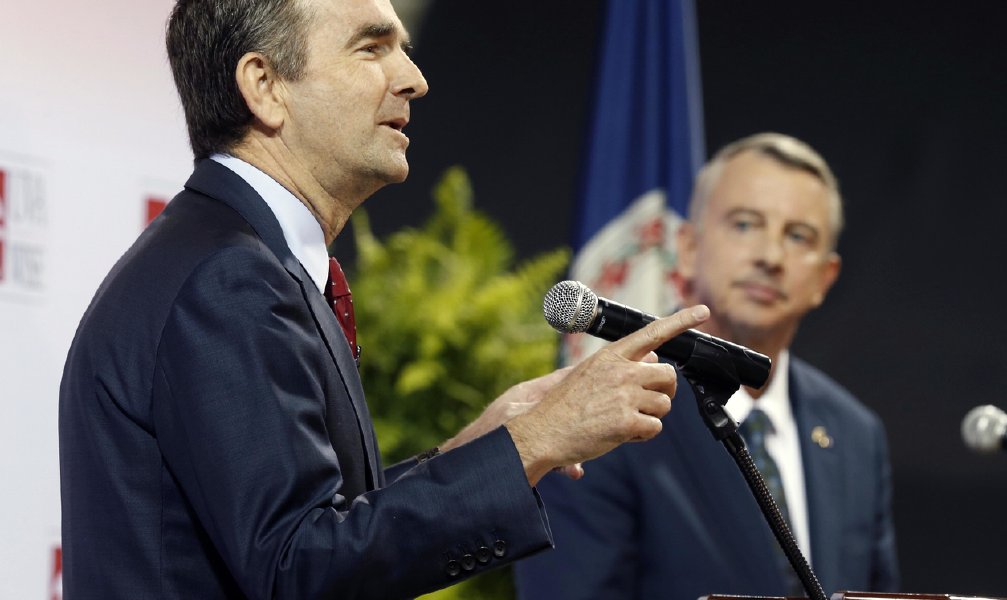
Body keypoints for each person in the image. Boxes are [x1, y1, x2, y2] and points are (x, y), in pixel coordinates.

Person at [56, 1, 713, 598]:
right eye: (371, 48)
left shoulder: (234, 257)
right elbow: (297, 570)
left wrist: (474, 451)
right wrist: (533, 442)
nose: (414, 79)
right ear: (265, 85)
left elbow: (315, 530)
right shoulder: (227, 278)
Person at [515, 133, 900, 599]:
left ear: (825, 277)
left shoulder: (856, 435)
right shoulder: (600, 414)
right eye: (745, 224)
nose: (770, 256)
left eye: (798, 236)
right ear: (689, 247)